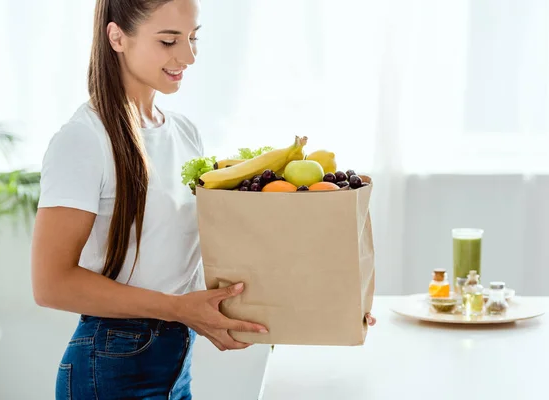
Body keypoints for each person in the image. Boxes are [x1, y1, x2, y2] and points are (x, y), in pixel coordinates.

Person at [31, 0, 376, 399]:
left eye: (193, 38)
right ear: (117, 37)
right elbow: (51, 284)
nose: (188, 56)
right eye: (168, 40)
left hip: (173, 360)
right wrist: (179, 309)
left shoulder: (183, 132)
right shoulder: (83, 140)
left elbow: (191, 257)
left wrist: (327, 303)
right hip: (110, 365)